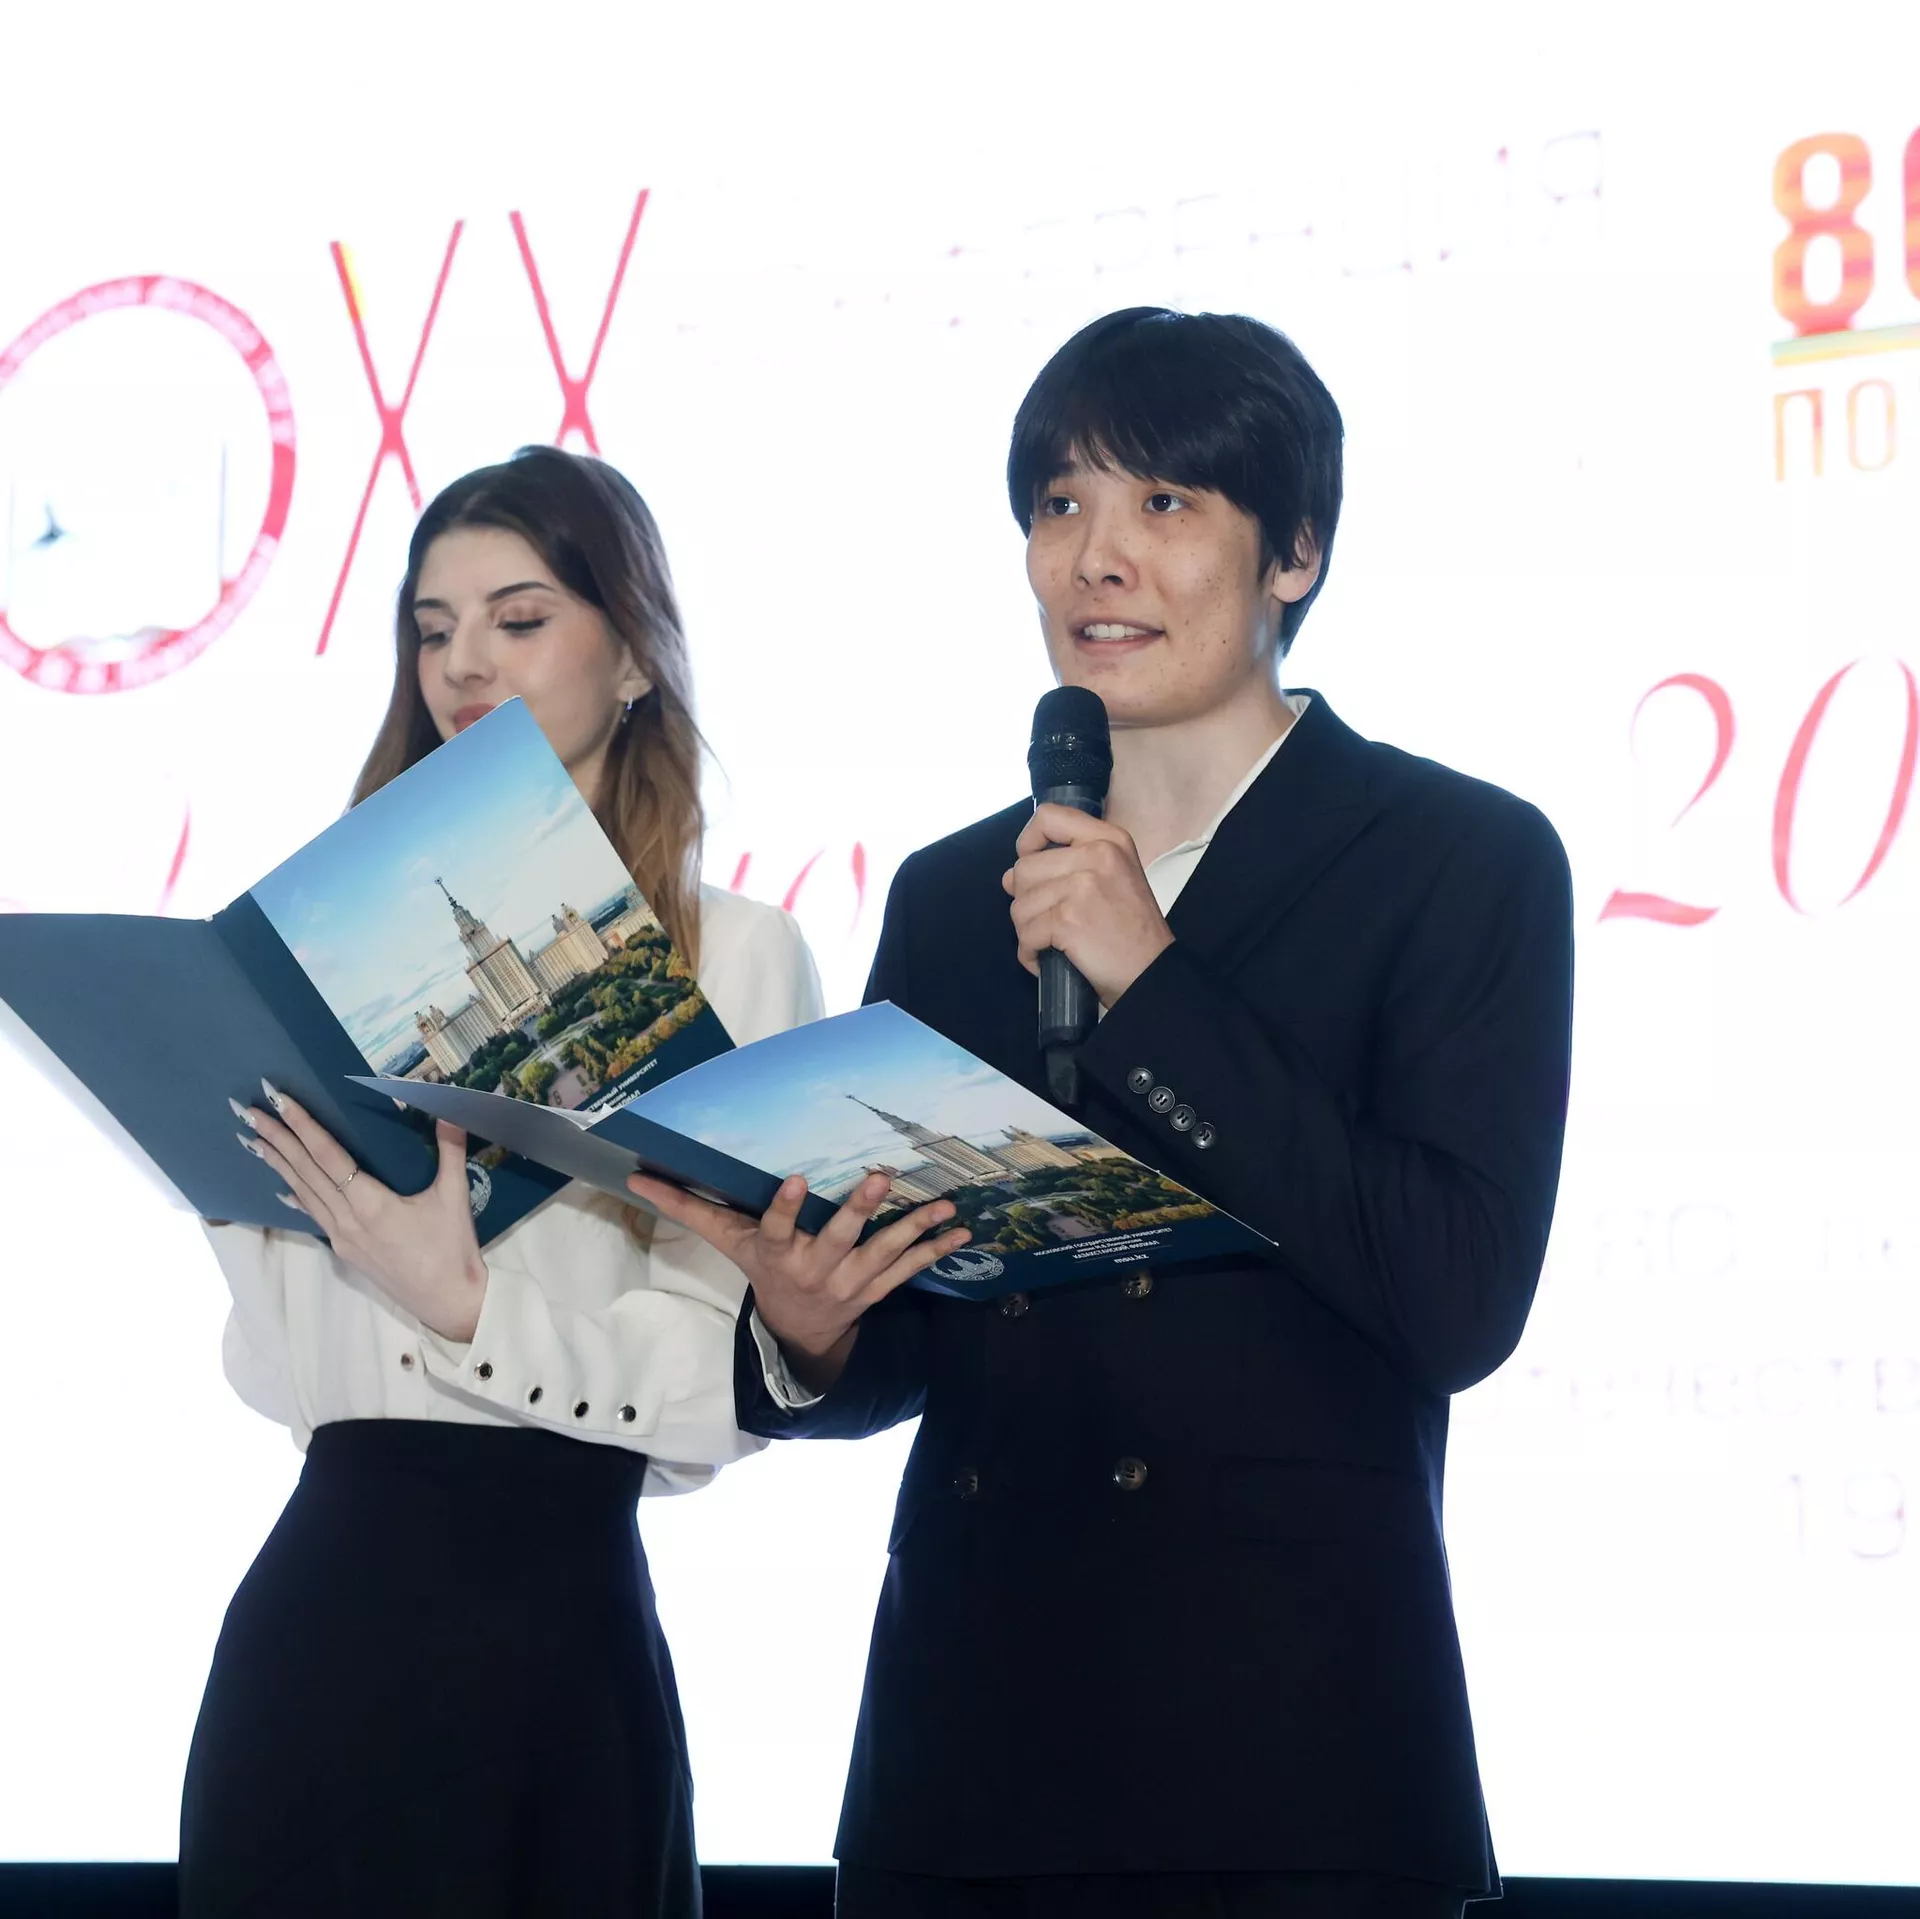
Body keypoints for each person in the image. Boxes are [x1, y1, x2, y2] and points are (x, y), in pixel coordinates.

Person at [633, 309, 1576, 1917]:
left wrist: (1155, 984)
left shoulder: (1459, 858)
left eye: (1165, 503)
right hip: (969, 1757)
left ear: (1296, 551)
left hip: (1291, 1759)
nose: (1096, 557)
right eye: (1061, 503)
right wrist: (815, 1325)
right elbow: (927, 1342)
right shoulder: (954, 891)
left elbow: (1456, 1293)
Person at [177, 447, 882, 1918]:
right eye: (431, 629)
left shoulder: (737, 957)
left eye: (519, 617)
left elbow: (720, 1387)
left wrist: (468, 1305)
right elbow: (275, 1370)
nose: (463, 664)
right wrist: (229, 1163)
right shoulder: (318, 952)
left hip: (553, 1635)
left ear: (633, 655)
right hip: (317, 1629)